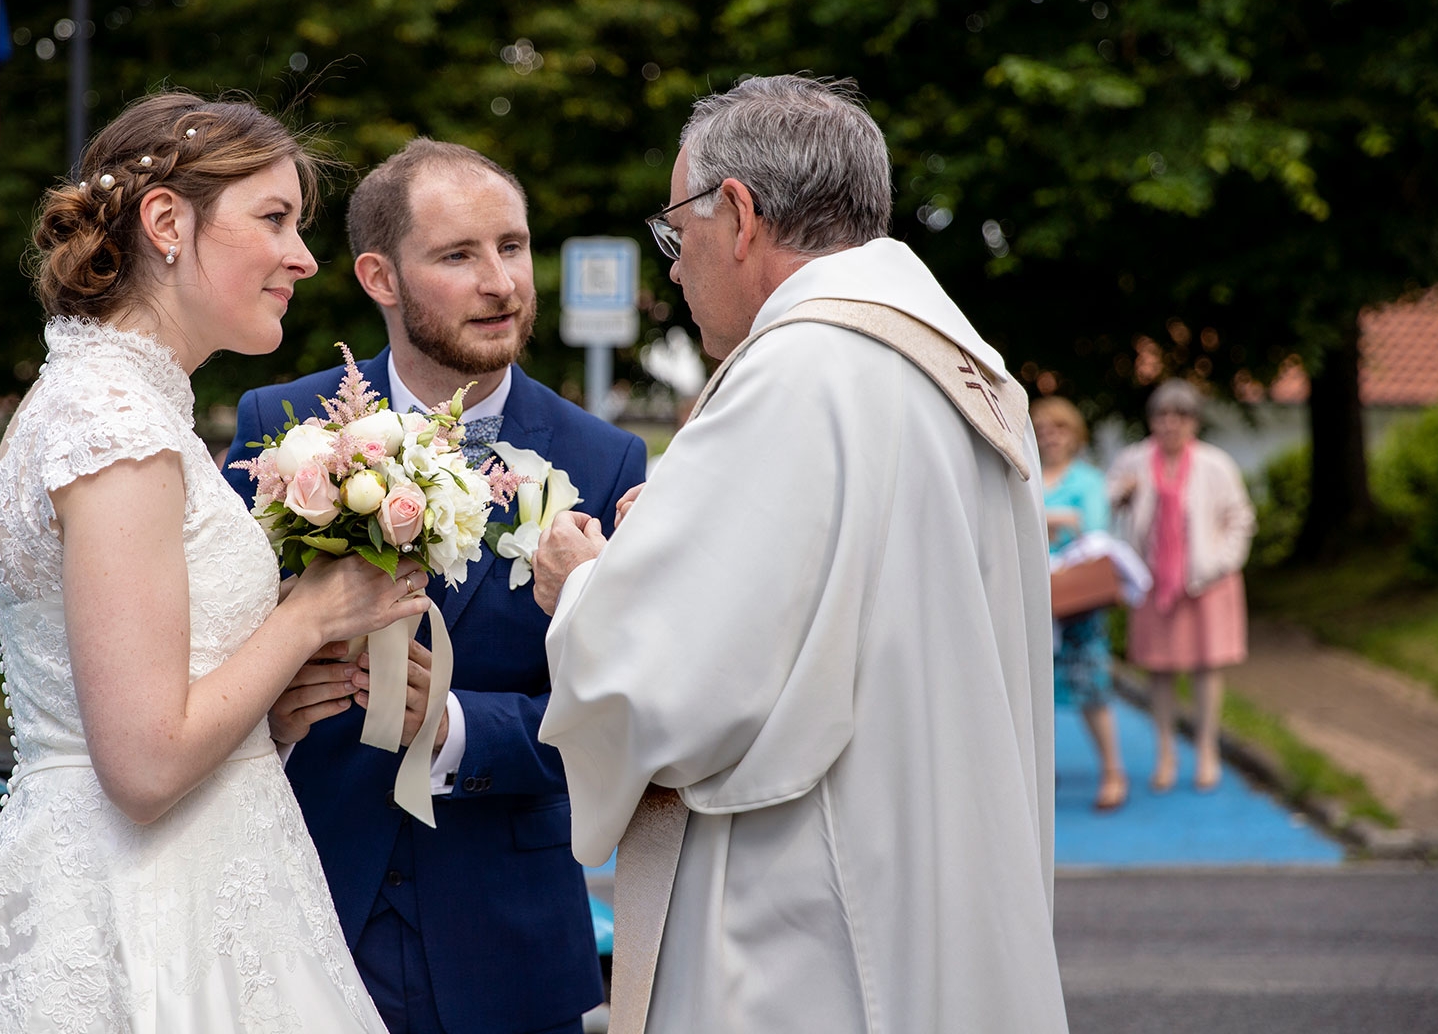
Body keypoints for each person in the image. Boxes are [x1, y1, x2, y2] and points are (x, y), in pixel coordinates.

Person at [0, 92, 430, 1033]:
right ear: (167, 222)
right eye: (275, 219)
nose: (303, 257)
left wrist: (271, 715)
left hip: (199, 875)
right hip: (146, 915)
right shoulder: (113, 424)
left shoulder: (121, 405)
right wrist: (309, 616)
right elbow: (141, 763)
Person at [532, 75, 1068, 1034]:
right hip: (939, 873)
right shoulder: (961, 365)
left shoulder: (798, 370)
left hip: (812, 915)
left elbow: (662, 690)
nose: (675, 268)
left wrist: (583, 587)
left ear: (736, 215)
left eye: (676, 234)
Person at [224, 139, 648, 1034]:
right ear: (380, 276)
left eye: (514, 246)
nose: (501, 282)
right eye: (459, 255)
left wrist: (454, 727)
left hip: (510, 942)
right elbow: (208, 655)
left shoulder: (604, 462)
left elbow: (625, 718)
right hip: (302, 913)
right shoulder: (282, 431)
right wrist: (271, 702)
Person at [1108, 378, 1256, 793]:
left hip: (1205, 583)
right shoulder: (1134, 461)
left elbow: (1240, 519)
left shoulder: (1215, 464)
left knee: (1206, 668)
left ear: (1194, 422)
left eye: (1180, 416)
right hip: (1154, 583)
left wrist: (1221, 562)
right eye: (1162, 415)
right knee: (1159, 669)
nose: (1170, 424)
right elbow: (1110, 505)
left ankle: (1207, 749)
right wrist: (1123, 496)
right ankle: (1165, 752)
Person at [1033, 395, 1130, 811]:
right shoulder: (1027, 476)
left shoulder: (1087, 480)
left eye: (1058, 429)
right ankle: (1039, 773)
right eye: (1041, 430)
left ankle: (1112, 770)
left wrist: (1050, 520)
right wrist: (1059, 519)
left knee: (1090, 685)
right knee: (1034, 693)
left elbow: (1093, 532)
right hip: (1036, 599)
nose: (1050, 437)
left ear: (1074, 435)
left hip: (1076, 602)